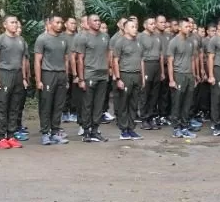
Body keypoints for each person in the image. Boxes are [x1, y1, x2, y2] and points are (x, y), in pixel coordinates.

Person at [0, 16, 28, 149]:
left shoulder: (20, 40)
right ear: (5, 25)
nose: (15, 24)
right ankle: (2, 137)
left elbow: (23, 60)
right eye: (12, 22)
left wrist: (23, 78)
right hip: (4, 74)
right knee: (2, 106)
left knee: (15, 106)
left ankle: (11, 135)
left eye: (16, 22)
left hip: (17, 74)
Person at [73, 13, 110, 142]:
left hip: (102, 75)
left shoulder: (105, 36)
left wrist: (108, 69)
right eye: (95, 21)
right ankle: (86, 130)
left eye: (99, 20)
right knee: (87, 104)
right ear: (88, 23)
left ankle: (95, 130)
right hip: (89, 74)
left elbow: (107, 54)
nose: (98, 22)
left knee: (99, 104)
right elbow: (79, 59)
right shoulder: (83, 37)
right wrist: (81, 78)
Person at [33, 15, 69, 145]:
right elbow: (37, 61)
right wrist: (38, 80)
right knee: (46, 105)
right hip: (48, 74)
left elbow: (66, 59)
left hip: (61, 75)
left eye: (61, 22)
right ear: (50, 23)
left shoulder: (64, 39)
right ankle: (45, 133)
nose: (60, 25)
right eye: (57, 22)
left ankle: (55, 132)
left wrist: (66, 77)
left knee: (58, 105)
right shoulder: (42, 39)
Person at [109, 17, 144, 141]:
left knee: (134, 103)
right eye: (132, 27)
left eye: (136, 27)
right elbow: (115, 61)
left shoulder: (138, 42)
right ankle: (124, 130)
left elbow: (141, 61)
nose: (135, 29)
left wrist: (142, 77)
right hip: (125, 75)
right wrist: (118, 78)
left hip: (136, 75)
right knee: (123, 103)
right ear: (125, 29)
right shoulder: (120, 42)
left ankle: (131, 128)